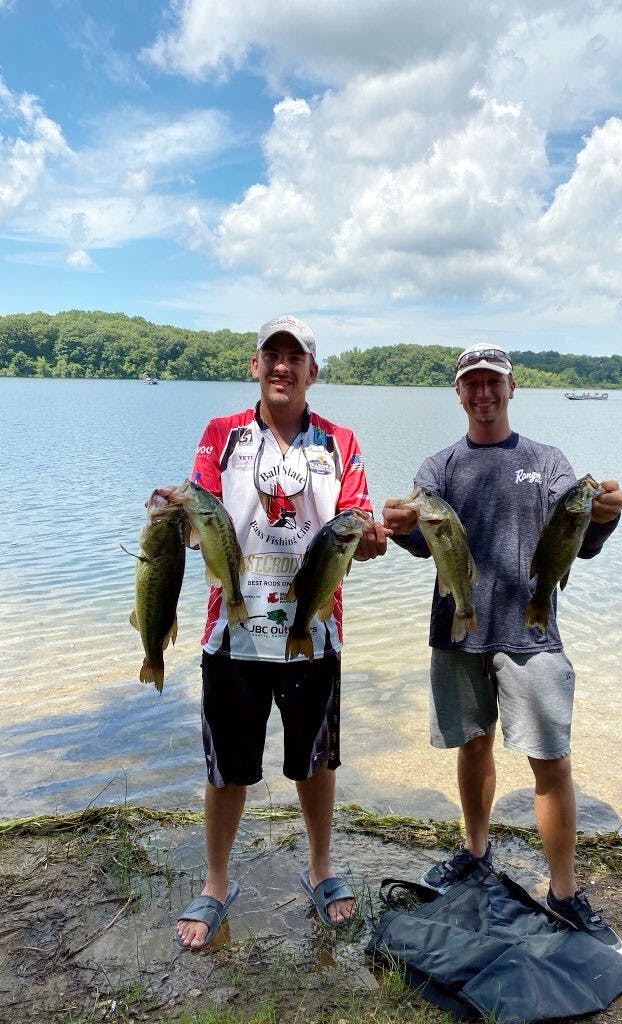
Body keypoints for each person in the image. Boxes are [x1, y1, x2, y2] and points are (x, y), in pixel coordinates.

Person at [382, 343, 622, 953]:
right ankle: (474, 851)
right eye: (472, 384)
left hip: (531, 632)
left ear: (511, 389)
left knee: (551, 760)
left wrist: (603, 517)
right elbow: (423, 545)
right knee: (472, 746)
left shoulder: (547, 462)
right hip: (458, 630)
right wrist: (404, 527)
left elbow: (581, 541)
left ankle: (564, 892)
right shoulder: (438, 468)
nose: (483, 393)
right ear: (458, 393)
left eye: (493, 382)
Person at [175, 315, 388, 949]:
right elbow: (198, 517)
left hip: (315, 630)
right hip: (232, 630)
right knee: (226, 769)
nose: (283, 367)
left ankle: (321, 869)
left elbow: (358, 522)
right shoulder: (221, 436)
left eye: (296, 358)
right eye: (273, 354)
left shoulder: (341, 443)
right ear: (255, 364)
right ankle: (216, 882)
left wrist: (372, 539)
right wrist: (174, 511)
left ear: (312, 372)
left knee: (315, 761)